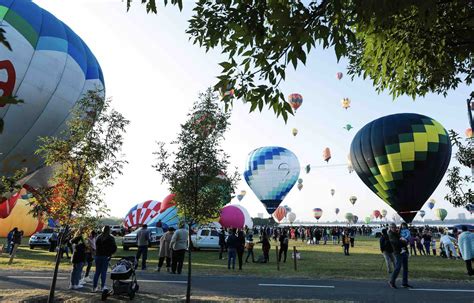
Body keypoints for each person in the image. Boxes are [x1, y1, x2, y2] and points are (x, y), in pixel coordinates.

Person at [93, 226, 117, 292]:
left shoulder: (98, 237)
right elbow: (114, 247)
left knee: (97, 272)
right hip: (105, 256)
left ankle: (94, 287)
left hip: (98, 256)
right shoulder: (111, 238)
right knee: (103, 272)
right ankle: (102, 286)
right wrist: (111, 253)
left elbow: (96, 246)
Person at [388, 223, 412, 289]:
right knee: (398, 267)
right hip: (398, 252)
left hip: (404, 251)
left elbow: (405, 240)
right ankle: (391, 281)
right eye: (392, 227)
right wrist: (404, 241)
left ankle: (404, 283)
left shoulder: (397, 233)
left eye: (395, 227)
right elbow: (397, 243)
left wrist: (404, 241)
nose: (394, 228)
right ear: (390, 228)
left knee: (405, 268)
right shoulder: (391, 235)